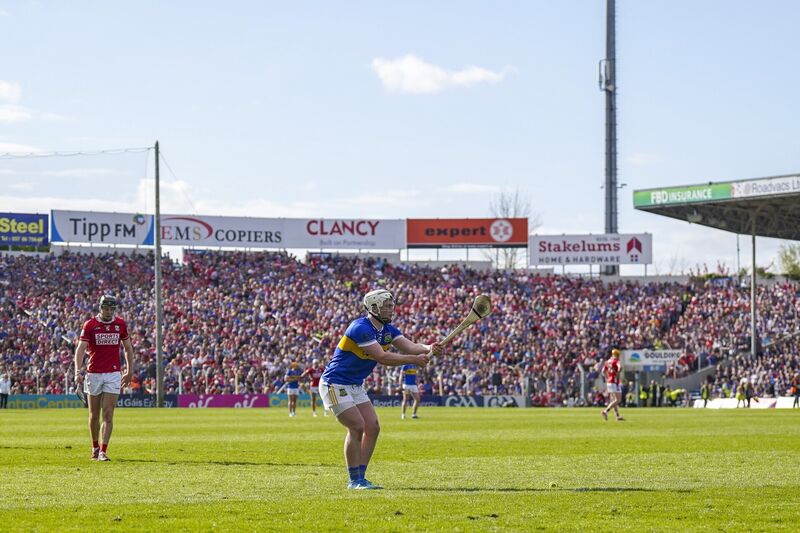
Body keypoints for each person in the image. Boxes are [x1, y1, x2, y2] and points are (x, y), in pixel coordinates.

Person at [319, 289, 440, 490]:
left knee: (373, 427)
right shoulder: (360, 328)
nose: (391, 310)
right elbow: (383, 357)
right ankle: (354, 481)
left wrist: (429, 347)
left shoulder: (388, 330)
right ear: (373, 307)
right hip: (334, 383)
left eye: (392, 306)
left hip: (355, 385)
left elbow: (411, 347)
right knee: (357, 426)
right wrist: (414, 359)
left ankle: (361, 477)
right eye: (387, 306)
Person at [74, 295, 134, 461]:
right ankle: (94, 447)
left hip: (113, 374)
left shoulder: (120, 324)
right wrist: (77, 371)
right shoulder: (90, 325)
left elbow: (128, 348)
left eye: (111, 309)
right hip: (93, 373)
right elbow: (80, 349)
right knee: (94, 414)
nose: (108, 312)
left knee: (108, 414)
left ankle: (103, 451)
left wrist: (129, 371)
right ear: (100, 308)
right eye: (106, 308)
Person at [601, 348, 624, 421]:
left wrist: (607, 377)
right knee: (618, 400)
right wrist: (618, 372)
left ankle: (617, 416)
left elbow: (603, 371)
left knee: (614, 400)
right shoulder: (616, 361)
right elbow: (620, 367)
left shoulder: (608, 362)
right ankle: (606, 411)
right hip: (615, 382)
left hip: (609, 382)